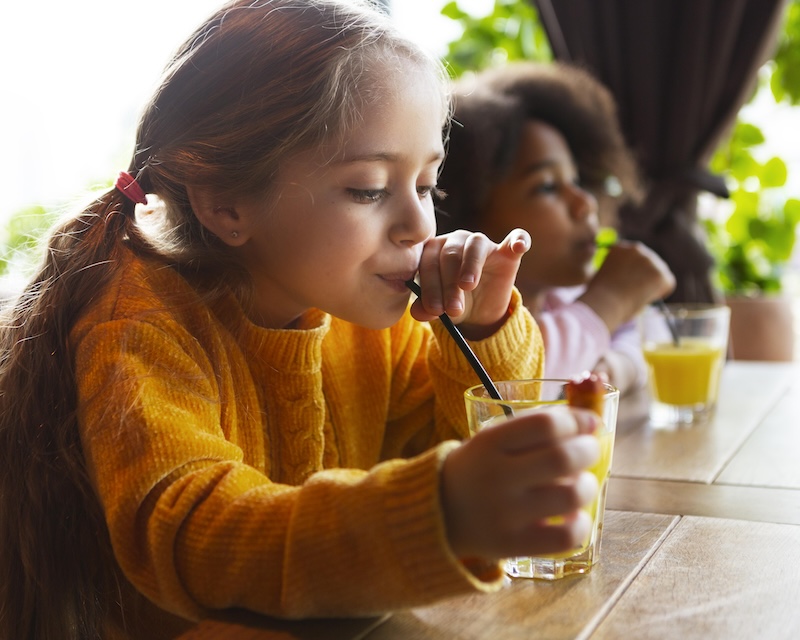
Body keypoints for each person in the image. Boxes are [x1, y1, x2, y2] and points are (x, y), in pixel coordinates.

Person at [0, 3, 605, 638]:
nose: (419, 225)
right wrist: (444, 510)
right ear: (226, 204)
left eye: (427, 185)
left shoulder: (369, 313)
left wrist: (482, 332)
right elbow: (198, 539)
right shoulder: (137, 326)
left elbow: (446, 453)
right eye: (369, 189)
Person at [437, 62, 676, 394]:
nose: (585, 203)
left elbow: (651, 333)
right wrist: (607, 302)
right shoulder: (448, 319)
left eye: (578, 181)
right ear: (469, 217)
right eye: (547, 187)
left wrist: (613, 367)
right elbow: (510, 388)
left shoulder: (560, 299)